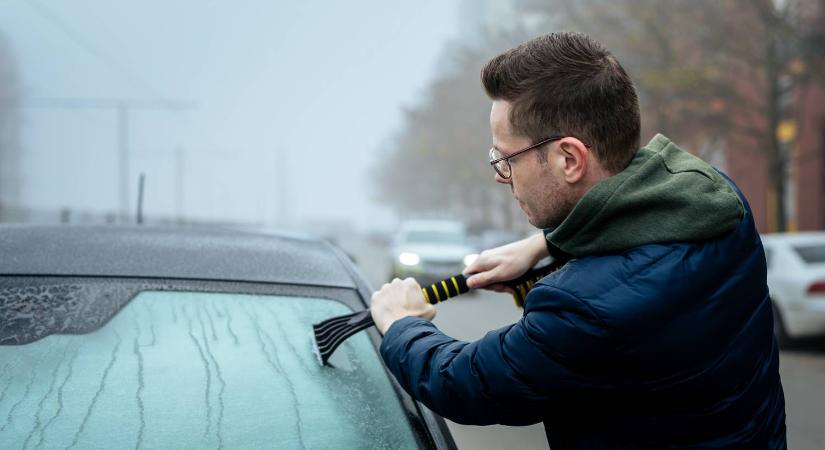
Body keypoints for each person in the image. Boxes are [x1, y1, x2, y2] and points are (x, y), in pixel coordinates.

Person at [370, 32, 787, 449]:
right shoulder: (720, 203)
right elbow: (632, 228)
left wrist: (401, 324)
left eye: (505, 159)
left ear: (568, 159)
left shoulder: (584, 308)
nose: (501, 177)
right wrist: (546, 245)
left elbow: (470, 383)